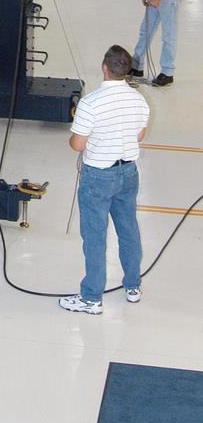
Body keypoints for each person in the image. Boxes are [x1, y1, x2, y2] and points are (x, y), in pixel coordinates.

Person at [59, 44, 150, 315]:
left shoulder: (90, 103)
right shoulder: (139, 100)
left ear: (104, 68)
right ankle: (132, 287)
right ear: (126, 71)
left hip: (98, 177)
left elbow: (77, 145)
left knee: (95, 236)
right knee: (128, 230)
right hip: (128, 173)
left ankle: (91, 298)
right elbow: (139, 135)